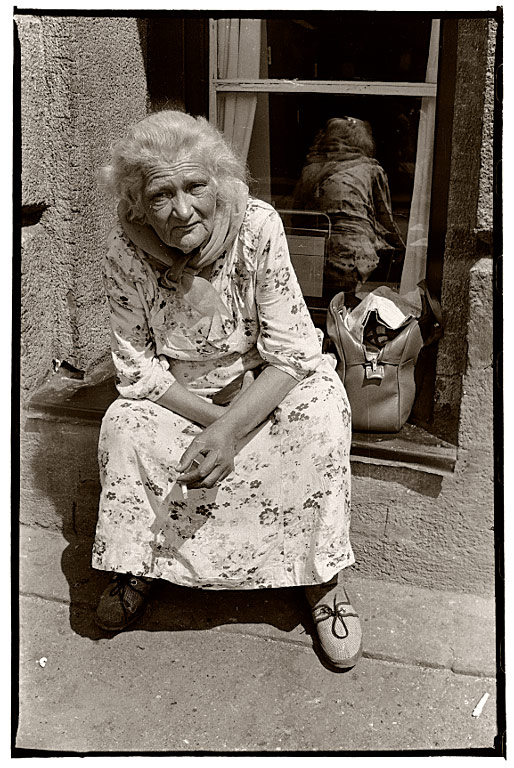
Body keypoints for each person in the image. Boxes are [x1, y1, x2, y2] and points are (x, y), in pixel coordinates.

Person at [92, 109, 361, 670]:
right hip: (183, 397)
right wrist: (211, 422)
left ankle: (320, 577)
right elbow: (138, 369)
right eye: (161, 194)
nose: (182, 209)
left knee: (322, 413)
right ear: (138, 202)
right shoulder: (123, 252)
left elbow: (291, 353)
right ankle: (139, 564)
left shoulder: (258, 227)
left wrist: (230, 428)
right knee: (123, 425)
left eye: (196, 186)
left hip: (264, 386)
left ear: (219, 181)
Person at [293, 116, 405, 299]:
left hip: (316, 259)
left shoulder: (309, 170)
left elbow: (297, 217)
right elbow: (386, 218)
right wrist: (407, 253)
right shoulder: (371, 169)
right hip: (359, 261)